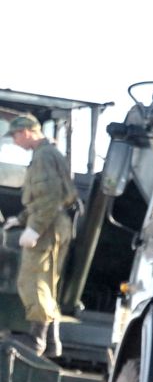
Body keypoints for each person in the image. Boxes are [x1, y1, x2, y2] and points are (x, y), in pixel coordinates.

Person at [7, 114, 81, 360]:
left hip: (48, 226)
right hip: (53, 222)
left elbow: (49, 197)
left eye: (16, 136)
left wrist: (35, 228)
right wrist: (20, 219)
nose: (16, 142)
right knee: (48, 282)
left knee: (34, 279)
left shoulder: (43, 156)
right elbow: (44, 197)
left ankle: (36, 339)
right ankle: (51, 343)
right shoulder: (48, 154)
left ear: (28, 131)